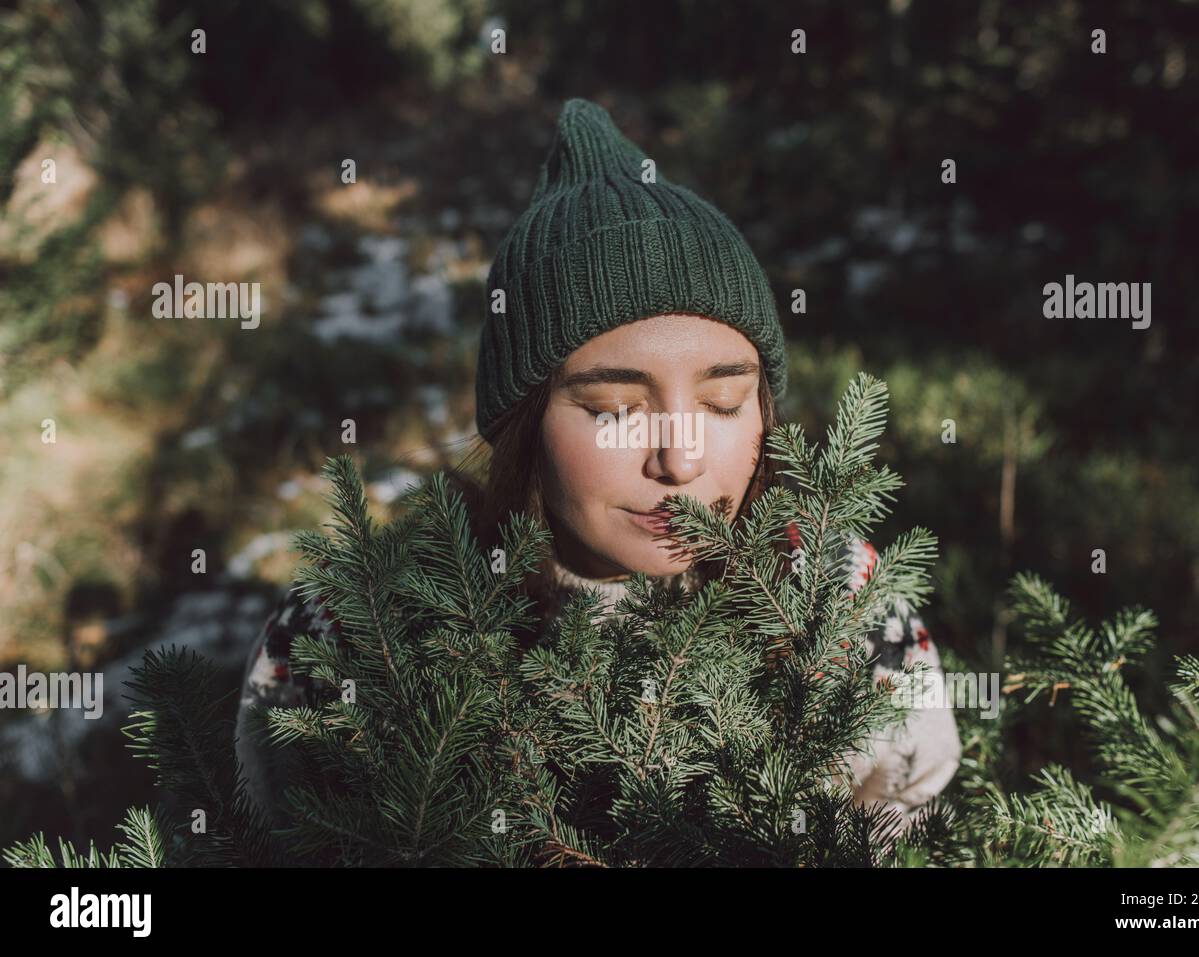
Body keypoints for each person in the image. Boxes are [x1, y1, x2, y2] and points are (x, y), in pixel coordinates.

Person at [234, 97, 960, 845]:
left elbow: (907, 823)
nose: (679, 459)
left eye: (722, 401)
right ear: (524, 423)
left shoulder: (841, 597)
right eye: (616, 407)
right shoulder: (354, 627)